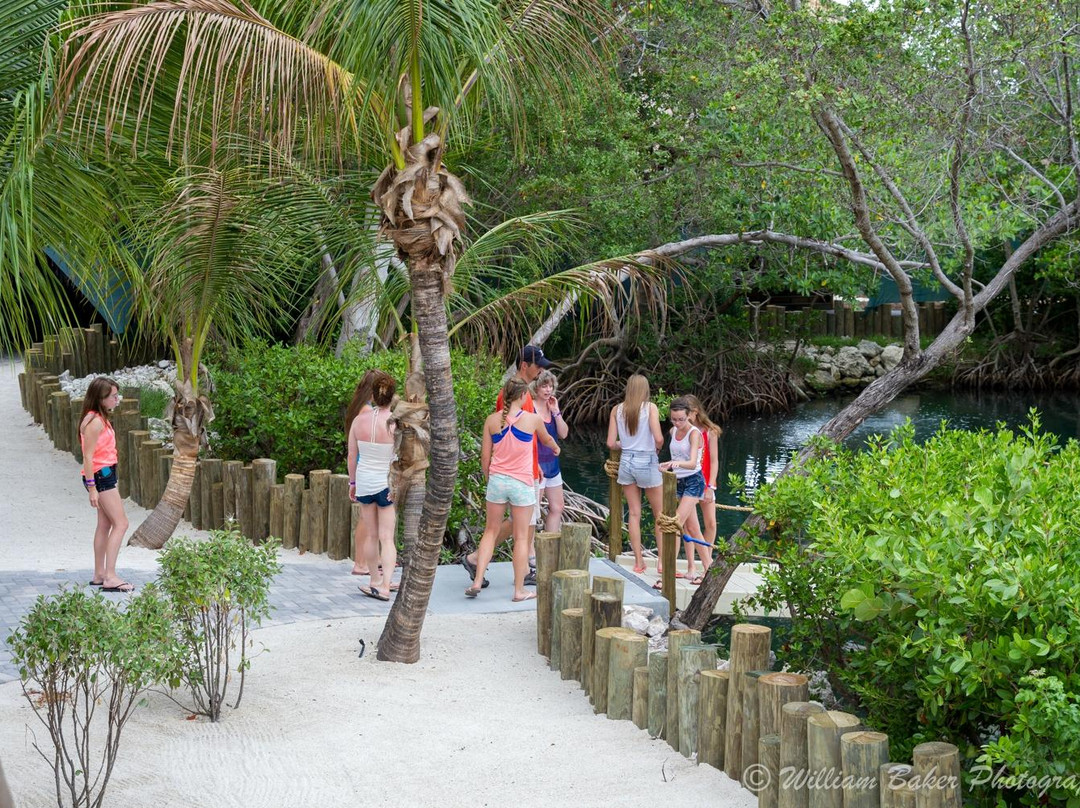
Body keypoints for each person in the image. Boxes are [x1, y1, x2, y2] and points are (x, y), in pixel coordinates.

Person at [463, 344, 551, 587]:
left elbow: (524, 435)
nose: (541, 372)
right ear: (525, 365)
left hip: (524, 468)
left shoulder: (526, 392)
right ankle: (486, 562)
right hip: (515, 473)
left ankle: (515, 569)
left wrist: (536, 463)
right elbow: (507, 433)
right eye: (538, 366)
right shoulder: (512, 394)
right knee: (521, 525)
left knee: (524, 522)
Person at [346, 370, 399, 600]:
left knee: (371, 535)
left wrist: (353, 482)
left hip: (365, 481)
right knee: (387, 537)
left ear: (374, 396)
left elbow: (351, 455)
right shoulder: (396, 424)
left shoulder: (359, 420)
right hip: (385, 482)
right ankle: (386, 585)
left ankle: (374, 581)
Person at [606, 374, 664, 575]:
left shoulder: (617, 410)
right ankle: (661, 563)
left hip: (626, 462)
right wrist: (657, 449)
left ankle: (638, 561)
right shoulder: (650, 408)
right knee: (660, 515)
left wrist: (625, 445)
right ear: (645, 390)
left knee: (634, 513)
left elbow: (611, 443)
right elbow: (658, 438)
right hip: (647, 460)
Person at [79, 377, 132, 592]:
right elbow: (87, 457)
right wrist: (92, 488)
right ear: (101, 398)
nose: (117, 400)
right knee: (121, 524)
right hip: (101, 477)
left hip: (103, 474)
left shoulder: (96, 417)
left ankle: (99, 574)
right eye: (113, 396)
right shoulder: (96, 422)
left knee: (105, 524)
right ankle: (110, 576)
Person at [659, 397, 710, 585]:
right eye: (674, 419)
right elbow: (676, 458)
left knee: (674, 524)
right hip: (678, 481)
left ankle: (668, 573)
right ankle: (709, 567)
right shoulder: (673, 431)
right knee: (694, 529)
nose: (677, 423)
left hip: (694, 481)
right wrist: (667, 465)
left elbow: (691, 462)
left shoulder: (694, 433)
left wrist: (675, 464)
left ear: (689, 415)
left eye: (681, 419)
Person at [685, 394, 721, 573]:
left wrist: (710, 486)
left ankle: (706, 560)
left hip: (705, 481)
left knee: (711, 523)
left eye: (687, 412)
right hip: (689, 482)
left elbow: (714, 461)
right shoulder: (683, 431)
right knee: (690, 526)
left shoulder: (710, 431)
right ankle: (691, 566)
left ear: (695, 412)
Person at [532, 370, 569, 532]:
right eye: (544, 386)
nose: (548, 390)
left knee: (557, 507)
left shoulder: (552, 406)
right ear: (536, 387)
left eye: (551, 386)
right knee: (533, 512)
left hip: (553, 466)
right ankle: (529, 552)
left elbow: (564, 433)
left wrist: (556, 412)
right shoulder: (529, 408)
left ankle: (550, 546)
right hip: (536, 466)